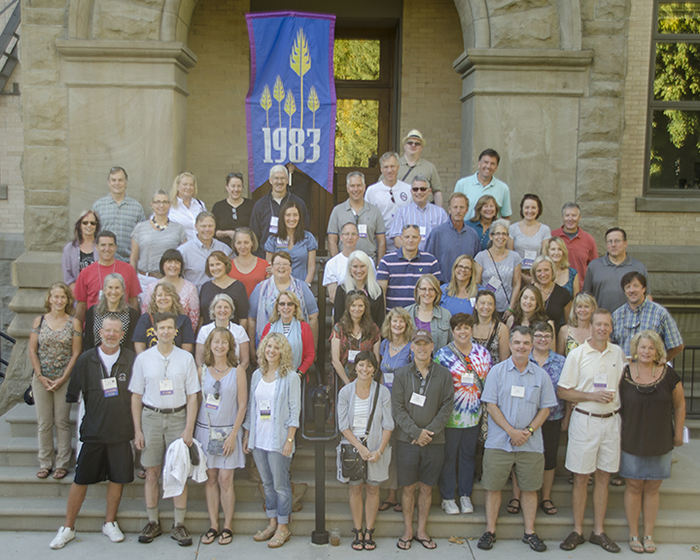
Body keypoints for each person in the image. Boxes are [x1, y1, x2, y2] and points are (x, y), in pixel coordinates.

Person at [49, 316, 136, 549]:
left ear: (121, 334)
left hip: (120, 431)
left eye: (116, 331)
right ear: (100, 332)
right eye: (107, 330)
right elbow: (74, 396)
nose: (111, 334)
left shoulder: (131, 359)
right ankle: (68, 527)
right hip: (93, 431)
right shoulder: (86, 360)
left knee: (118, 479)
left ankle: (109, 523)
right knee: (81, 479)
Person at [476, 327, 557, 552]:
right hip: (499, 441)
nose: (521, 347)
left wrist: (528, 431)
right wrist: (511, 431)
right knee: (493, 488)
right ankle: (490, 530)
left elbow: (546, 408)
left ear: (532, 346)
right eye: (517, 342)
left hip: (530, 443)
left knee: (530, 489)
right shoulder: (497, 372)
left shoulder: (541, 376)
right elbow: (490, 405)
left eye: (526, 343)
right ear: (510, 344)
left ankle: (529, 532)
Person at [557, 309, 626, 553]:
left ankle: (598, 531)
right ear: (591, 326)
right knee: (581, 477)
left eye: (607, 325)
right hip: (585, 420)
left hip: (611, 421)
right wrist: (590, 395)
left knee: (604, 476)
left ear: (611, 328)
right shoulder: (577, 354)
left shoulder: (617, 353)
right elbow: (563, 391)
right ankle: (577, 530)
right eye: (598, 324)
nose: (602, 329)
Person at [130, 312, 201, 547]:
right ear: (155, 331)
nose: (166, 332)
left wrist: (189, 428)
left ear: (175, 331)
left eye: (170, 328)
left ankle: (179, 524)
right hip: (151, 417)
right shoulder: (144, 359)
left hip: (178, 418)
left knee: (178, 472)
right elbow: (136, 396)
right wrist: (137, 430)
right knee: (151, 472)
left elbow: (193, 396)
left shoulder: (185, 358)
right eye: (162, 328)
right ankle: (153, 521)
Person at [619, 331, 685, 554]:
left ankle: (648, 534)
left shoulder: (668, 374)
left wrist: (678, 434)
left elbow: (680, 405)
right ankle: (633, 534)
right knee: (634, 485)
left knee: (653, 487)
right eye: (642, 347)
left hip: (661, 438)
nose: (646, 351)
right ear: (635, 350)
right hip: (631, 437)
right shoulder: (624, 372)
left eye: (650, 348)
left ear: (657, 351)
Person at [392, 330, 454, 550]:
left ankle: (421, 530)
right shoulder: (401, 374)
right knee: (408, 488)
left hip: (434, 441)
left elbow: (447, 406)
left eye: (425, 344)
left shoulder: (444, 374)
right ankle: (408, 530)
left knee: (427, 488)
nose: (421, 348)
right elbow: (397, 409)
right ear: (411, 347)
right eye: (417, 344)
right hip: (406, 441)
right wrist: (415, 433)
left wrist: (429, 432)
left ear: (431, 347)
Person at [242, 333, 301, 549]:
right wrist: (248, 435)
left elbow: (295, 411)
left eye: (277, 347)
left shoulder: (291, 377)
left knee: (281, 485)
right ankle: (272, 522)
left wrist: (289, 439)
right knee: (266, 483)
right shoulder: (257, 375)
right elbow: (252, 407)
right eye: (269, 346)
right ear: (263, 349)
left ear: (283, 351)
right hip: (259, 439)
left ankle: (283, 527)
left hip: (279, 440)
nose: (272, 350)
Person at [195, 327, 248, 546]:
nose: (220, 346)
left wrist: (235, 434)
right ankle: (213, 525)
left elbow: (243, 404)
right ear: (210, 345)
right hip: (206, 431)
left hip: (228, 431)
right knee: (211, 478)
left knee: (226, 479)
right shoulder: (202, 371)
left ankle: (227, 525)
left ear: (230, 346)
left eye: (224, 342)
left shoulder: (238, 371)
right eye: (216, 342)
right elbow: (195, 401)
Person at [435, 313, 492, 515]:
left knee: (468, 456)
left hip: (474, 415)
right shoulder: (442, 355)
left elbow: (489, 383)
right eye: (458, 328)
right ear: (452, 331)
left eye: (466, 328)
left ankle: (465, 495)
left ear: (472, 330)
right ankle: (448, 497)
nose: (462, 331)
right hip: (450, 416)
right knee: (449, 456)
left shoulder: (483, 354)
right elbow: (438, 386)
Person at [337, 351, 393, 551]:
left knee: (372, 488)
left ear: (374, 370)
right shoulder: (345, 392)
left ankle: (369, 531)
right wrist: (360, 447)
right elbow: (343, 425)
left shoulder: (383, 392)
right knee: (355, 488)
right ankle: (357, 531)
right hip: (353, 449)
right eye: (361, 364)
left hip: (376, 448)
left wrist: (379, 450)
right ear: (355, 367)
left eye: (369, 365)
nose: (364, 369)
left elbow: (388, 424)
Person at [509, 322, 566, 517]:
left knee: (549, 458)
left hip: (552, 417)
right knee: (521, 457)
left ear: (552, 339)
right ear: (532, 340)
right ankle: (517, 497)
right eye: (539, 336)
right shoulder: (524, 358)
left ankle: (546, 497)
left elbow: (565, 390)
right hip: (525, 417)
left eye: (547, 336)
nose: (543, 340)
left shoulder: (561, 362)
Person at [28, 282, 82, 481]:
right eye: (56, 296)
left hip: (63, 379)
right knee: (44, 422)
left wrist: (63, 378)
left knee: (62, 422)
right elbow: (32, 350)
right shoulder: (39, 321)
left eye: (63, 297)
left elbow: (76, 353)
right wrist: (40, 376)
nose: (59, 300)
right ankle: (45, 463)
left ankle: (62, 464)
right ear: (49, 299)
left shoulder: (73, 323)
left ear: (68, 300)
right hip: (41, 379)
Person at [377, 307, 415, 513]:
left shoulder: (410, 348)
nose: (397, 325)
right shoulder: (384, 345)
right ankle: (391, 495)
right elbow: (382, 376)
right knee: (389, 451)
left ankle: (404, 495)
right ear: (389, 324)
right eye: (394, 321)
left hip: (404, 406)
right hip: (387, 405)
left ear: (407, 325)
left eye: (401, 322)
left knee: (404, 452)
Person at [248, 251, 318, 352]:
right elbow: (251, 319)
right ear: (271, 267)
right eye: (277, 264)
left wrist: (313, 348)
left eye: (285, 264)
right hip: (268, 348)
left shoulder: (302, 288)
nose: (281, 267)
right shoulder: (261, 288)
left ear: (291, 268)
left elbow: (313, 317)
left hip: (296, 347)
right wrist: (252, 348)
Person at [612, 271, 684, 360]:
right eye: (628, 287)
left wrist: (661, 361)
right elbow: (610, 345)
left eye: (636, 286)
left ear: (644, 289)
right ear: (624, 292)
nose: (632, 290)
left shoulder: (660, 313)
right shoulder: (616, 315)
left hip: (651, 371)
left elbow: (677, 345)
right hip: (624, 370)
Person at [74, 230, 141, 322]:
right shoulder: (86, 272)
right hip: (94, 323)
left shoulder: (128, 270)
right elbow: (81, 305)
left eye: (110, 245)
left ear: (115, 247)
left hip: (123, 324)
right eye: (103, 245)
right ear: (96, 247)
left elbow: (133, 301)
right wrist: (79, 331)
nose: (107, 248)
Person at [130, 189, 187, 291]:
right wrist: (132, 281)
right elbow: (133, 258)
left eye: (165, 202)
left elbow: (184, 257)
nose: (161, 205)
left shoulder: (179, 229)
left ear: (169, 205)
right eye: (157, 202)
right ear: (152, 204)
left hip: (170, 280)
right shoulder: (140, 228)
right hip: (144, 281)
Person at [583, 227, 648, 313]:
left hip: (629, 321)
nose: (613, 245)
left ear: (625, 243)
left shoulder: (638, 267)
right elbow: (586, 296)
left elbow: (647, 296)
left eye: (617, 241)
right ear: (606, 245)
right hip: (601, 321)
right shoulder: (594, 266)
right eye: (610, 241)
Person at [250, 165, 310, 258]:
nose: (279, 182)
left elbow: (305, 230)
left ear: (287, 180)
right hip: (265, 257)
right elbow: (254, 234)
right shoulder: (260, 205)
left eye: (282, 178)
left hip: (293, 258)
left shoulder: (298, 203)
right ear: (270, 180)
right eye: (276, 178)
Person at [377, 224, 441, 310]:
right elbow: (381, 295)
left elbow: (436, 293)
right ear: (401, 239)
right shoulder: (386, 261)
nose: (411, 240)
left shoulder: (431, 261)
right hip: (394, 318)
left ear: (420, 239)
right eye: (407, 237)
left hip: (420, 317)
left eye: (414, 237)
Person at [327, 171, 386, 261]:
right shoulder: (337, 211)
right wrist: (337, 263)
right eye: (352, 186)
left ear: (364, 187)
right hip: (345, 263)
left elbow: (381, 242)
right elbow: (332, 241)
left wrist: (379, 266)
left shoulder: (375, 211)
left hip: (368, 262)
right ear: (347, 188)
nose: (356, 189)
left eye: (359, 185)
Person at [92, 166, 146, 262]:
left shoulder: (137, 208)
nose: (117, 183)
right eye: (113, 180)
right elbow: (93, 234)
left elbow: (142, 237)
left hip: (128, 262)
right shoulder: (98, 206)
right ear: (109, 183)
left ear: (126, 183)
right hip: (104, 261)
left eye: (120, 180)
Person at [425, 192, 481, 281]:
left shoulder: (472, 235)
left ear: (467, 210)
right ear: (449, 209)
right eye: (455, 207)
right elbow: (427, 262)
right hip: (442, 287)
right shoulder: (437, 233)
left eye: (462, 207)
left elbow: (476, 263)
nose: (458, 211)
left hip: (465, 288)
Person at [140, 249, 199, 331]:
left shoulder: (190, 288)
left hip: (182, 334)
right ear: (162, 265)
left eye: (177, 262)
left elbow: (194, 318)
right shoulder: (152, 287)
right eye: (169, 262)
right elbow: (145, 313)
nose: (173, 265)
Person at [364, 152, 412, 253]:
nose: (389, 170)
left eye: (392, 166)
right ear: (381, 169)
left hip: (403, 243)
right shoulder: (372, 191)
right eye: (386, 167)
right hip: (379, 242)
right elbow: (367, 218)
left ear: (398, 167)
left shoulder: (408, 189)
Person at [331, 292, 381, 386]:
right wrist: (348, 384)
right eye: (353, 305)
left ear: (365, 307)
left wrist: (367, 381)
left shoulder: (373, 329)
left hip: (367, 380)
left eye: (360, 305)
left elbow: (376, 360)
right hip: (342, 381)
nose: (357, 309)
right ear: (348, 307)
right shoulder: (339, 328)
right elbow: (335, 360)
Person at [259, 291, 315, 376]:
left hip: (295, 376)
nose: (286, 307)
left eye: (290, 304)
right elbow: (262, 352)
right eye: (282, 304)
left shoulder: (304, 327)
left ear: (295, 307)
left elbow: (310, 355)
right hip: (271, 376)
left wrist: (299, 373)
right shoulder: (268, 327)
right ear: (277, 307)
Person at [387, 175, 448, 251]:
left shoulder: (440, 213)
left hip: (432, 259)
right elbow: (397, 241)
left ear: (429, 191)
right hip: (409, 260)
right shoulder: (401, 212)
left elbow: (446, 239)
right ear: (411, 191)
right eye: (415, 189)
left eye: (423, 189)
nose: (419, 192)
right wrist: (414, 255)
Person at [474, 219, 522, 315]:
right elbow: (476, 285)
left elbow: (516, 284)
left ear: (508, 236)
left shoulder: (514, 257)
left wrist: (511, 308)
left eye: (504, 234)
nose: (501, 237)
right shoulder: (481, 257)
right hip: (486, 308)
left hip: (506, 308)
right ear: (491, 236)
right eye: (497, 233)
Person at [264, 200, 318, 284]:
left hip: (301, 286)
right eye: (288, 215)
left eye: (295, 215)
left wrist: (305, 287)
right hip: (279, 288)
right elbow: (269, 269)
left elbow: (311, 267)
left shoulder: (308, 238)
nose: (292, 219)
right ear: (282, 217)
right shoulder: (272, 240)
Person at [133, 281, 195, 354]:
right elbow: (139, 344)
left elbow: (187, 347)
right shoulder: (146, 318)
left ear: (173, 298)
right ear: (154, 298)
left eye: (167, 295)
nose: (163, 298)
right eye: (159, 295)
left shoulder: (184, 320)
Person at [83, 273, 140, 352]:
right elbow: (88, 341)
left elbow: (131, 345)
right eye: (110, 287)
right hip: (96, 359)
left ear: (123, 291)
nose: (113, 292)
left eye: (117, 288)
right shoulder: (93, 311)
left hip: (123, 360)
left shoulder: (132, 314)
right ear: (104, 290)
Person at [179, 212, 233, 292]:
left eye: (210, 226)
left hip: (221, 299)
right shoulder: (183, 251)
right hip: (196, 299)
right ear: (196, 227)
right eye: (203, 226)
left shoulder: (224, 249)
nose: (207, 229)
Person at [196, 294, 250, 371]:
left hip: (234, 375)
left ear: (231, 309)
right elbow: (199, 361)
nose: (222, 310)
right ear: (213, 309)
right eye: (219, 307)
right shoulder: (204, 330)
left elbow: (245, 361)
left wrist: (235, 375)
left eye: (226, 307)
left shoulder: (239, 330)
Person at [454, 149, 512, 221]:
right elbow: (454, 211)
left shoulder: (503, 188)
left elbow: (505, 217)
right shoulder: (462, 184)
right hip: (466, 231)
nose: (488, 166)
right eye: (486, 162)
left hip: (491, 231)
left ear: (496, 167)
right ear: (479, 164)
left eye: (492, 164)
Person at [333, 250, 384, 327]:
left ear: (368, 268)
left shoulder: (377, 290)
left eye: (362, 266)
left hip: (372, 336)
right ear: (350, 268)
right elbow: (338, 319)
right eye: (355, 266)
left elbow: (380, 319)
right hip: (347, 335)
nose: (359, 270)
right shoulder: (342, 289)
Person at [507, 194, 551, 282]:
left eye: (533, 207)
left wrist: (535, 276)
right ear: (522, 209)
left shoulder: (544, 230)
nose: (530, 211)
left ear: (539, 209)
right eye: (526, 207)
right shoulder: (512, 228)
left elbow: (544, 256)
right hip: (516, 274)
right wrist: (522, 276)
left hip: (537, 275)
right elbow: (510, 256)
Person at [551, 202, 598, 285]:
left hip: (581, 289)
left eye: (574, 215)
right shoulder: (552, 236)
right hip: (554, 286)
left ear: (579, 217)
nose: (570, 219)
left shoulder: (588, 239)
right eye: (567, 215)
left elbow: (595, 267)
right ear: (562, 217)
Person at [199, 251, 248, 329]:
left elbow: (243, 318)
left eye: (218, 264)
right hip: (209, 335)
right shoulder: (205, 287)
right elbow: (201, 317)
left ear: (226, 264)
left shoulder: (239, 287)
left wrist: (238, 337)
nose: (215, 268)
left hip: (232, 335)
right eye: (211, 265)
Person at [323, 222, 370, 303]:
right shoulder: (332, 264)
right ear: (341, 237)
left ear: (358, 237)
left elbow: (372, 288)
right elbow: (333, 297)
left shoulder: (368, 261)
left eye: (353, 234)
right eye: (346, 234)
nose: (350, 237)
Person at [395, 129, 443, 207]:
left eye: (417, 143)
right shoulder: (394, 165)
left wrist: (438, 212)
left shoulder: (430, 167)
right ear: (405, 146)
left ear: (421, 148)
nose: (413, 145)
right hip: (400, 210)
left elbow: (437, 191)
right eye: (410, 143)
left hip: (424, 212)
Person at [405, 273, 453, 350]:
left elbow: (452, 343)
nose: (427, 293)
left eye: (431, 289)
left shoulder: (445, 315)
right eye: (424, 289)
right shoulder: (406, 313)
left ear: (436, 292)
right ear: (418, 291)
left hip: (438, 361)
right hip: (411, 361)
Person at [531, 255, 572, 335]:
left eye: (546, 270)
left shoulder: (563, 294)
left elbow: (568, 324)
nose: (543, 274)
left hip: (554, 339)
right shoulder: (528, 291)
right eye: (539, 271)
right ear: (534, 273)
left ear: (552, 271)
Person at [62, 210, 100, 292]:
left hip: (98, 295)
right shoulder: (70, 248)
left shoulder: (102, 246)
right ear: (79, 225)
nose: (89, 225)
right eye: (85, 223)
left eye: (92, 223)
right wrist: (79, 294)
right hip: (77, 295)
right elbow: (68, 276)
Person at [213, 172, 255, 242]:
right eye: (233, 186)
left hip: (245, 248)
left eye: (239, 186)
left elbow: (256, 230)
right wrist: (227, 233)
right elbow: (213, 231)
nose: (236, 189)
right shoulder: (218, 207)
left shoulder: (251, 205)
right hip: (224, 249)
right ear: (227, 187)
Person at [472, 290, 510, 365]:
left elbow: (504, 361)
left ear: (494, 307)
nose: (486, 307)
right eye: (482, 303)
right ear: (476, 305)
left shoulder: (501, 329)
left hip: (494, 374)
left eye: (490, 304)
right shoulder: (469, 327)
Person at [229, 227, 269, 297]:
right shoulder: (228, 266)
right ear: (234, 244)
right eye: (239, 243)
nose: (242, 246)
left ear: (252, 243)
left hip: (259, 306)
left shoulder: (264, 264)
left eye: (246, 242)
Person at [168, 172, 207, 242]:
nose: (188, 187)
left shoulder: (200, 205)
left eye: (191, 185)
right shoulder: (170, 206)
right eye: (185, 184)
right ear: (177, 186)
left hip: (199, 247)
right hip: (179, 248)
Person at [557, 292, 597, 356]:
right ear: (575, 309)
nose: (582, 310)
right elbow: (559, 358)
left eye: (586, 306)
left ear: (593, 308)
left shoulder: (598, 330)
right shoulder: (565, 330)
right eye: (579, 307)